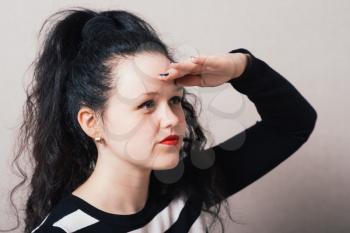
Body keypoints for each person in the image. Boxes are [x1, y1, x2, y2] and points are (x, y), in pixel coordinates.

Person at [5, 7, 317, 233]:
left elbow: (292, 123)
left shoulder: (187, 189)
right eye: (146, 104)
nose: (171, 119)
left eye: (175, 100)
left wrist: (240, 67)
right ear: (91, 122)